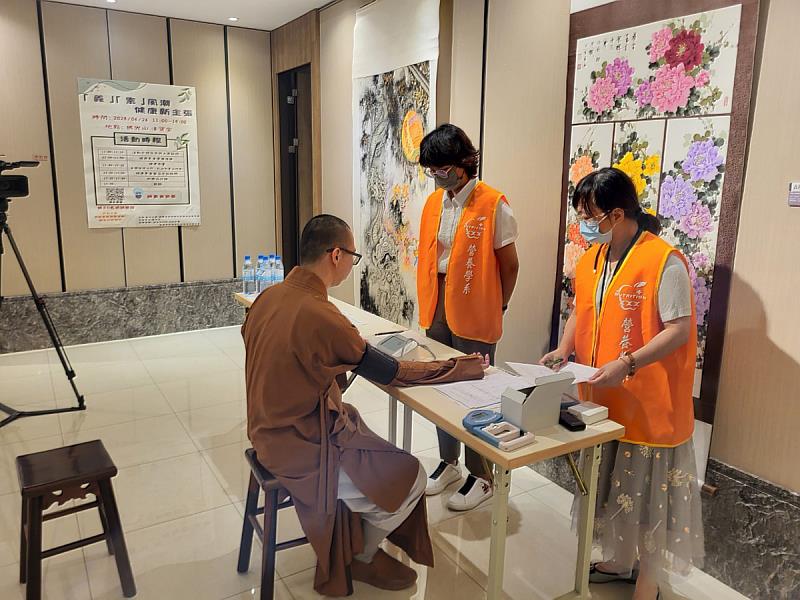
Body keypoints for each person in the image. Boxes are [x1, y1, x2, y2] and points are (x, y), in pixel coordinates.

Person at [243, 214, 486, 596]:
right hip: (299, 445)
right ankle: (361, 557)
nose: (351, 264)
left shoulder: (267, 297)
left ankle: (356, 537)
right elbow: (390, 371)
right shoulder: (321, 314)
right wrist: (458, 366)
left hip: (264, 429)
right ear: (336, 255)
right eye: (353, 256)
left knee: (368, 440)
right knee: (412, 477)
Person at [541, 168, 704, 600]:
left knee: (648, 497)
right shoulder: (592, 259)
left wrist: (628, 361)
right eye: (579, 214)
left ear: (617, 213)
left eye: (589, 215)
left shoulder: (662, 259)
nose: (583, 224)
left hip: (650, 400)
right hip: (605, 395)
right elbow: (581, 310)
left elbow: (680, 329)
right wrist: (562, 348)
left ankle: (647, 581)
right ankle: (618, 561)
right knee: (614, 487)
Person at [416, 123, 520, 511]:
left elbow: (510, 266)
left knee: (477, 391)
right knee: (442, 386)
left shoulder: (494, 204)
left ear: (462, 164)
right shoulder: (434, 202)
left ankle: (482, 476)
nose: (437, 176)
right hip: (437, 302)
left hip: (476, 307)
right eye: (431, 170)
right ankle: (448, 463)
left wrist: (500, 305)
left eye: (441, 168)